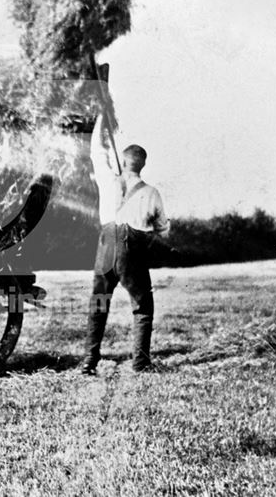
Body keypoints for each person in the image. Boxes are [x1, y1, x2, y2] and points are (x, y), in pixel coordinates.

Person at [80, 113, 170, 375]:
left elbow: (98, 150)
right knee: (142, 307)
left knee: (99, 302)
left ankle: (89, 361)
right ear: (142, 165)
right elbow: (163, 229)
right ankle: (140, 363)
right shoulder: (152, 193)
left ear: (125, 161)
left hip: (106, 243)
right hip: (133, 247)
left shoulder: (108, 180)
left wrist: (101, 116)